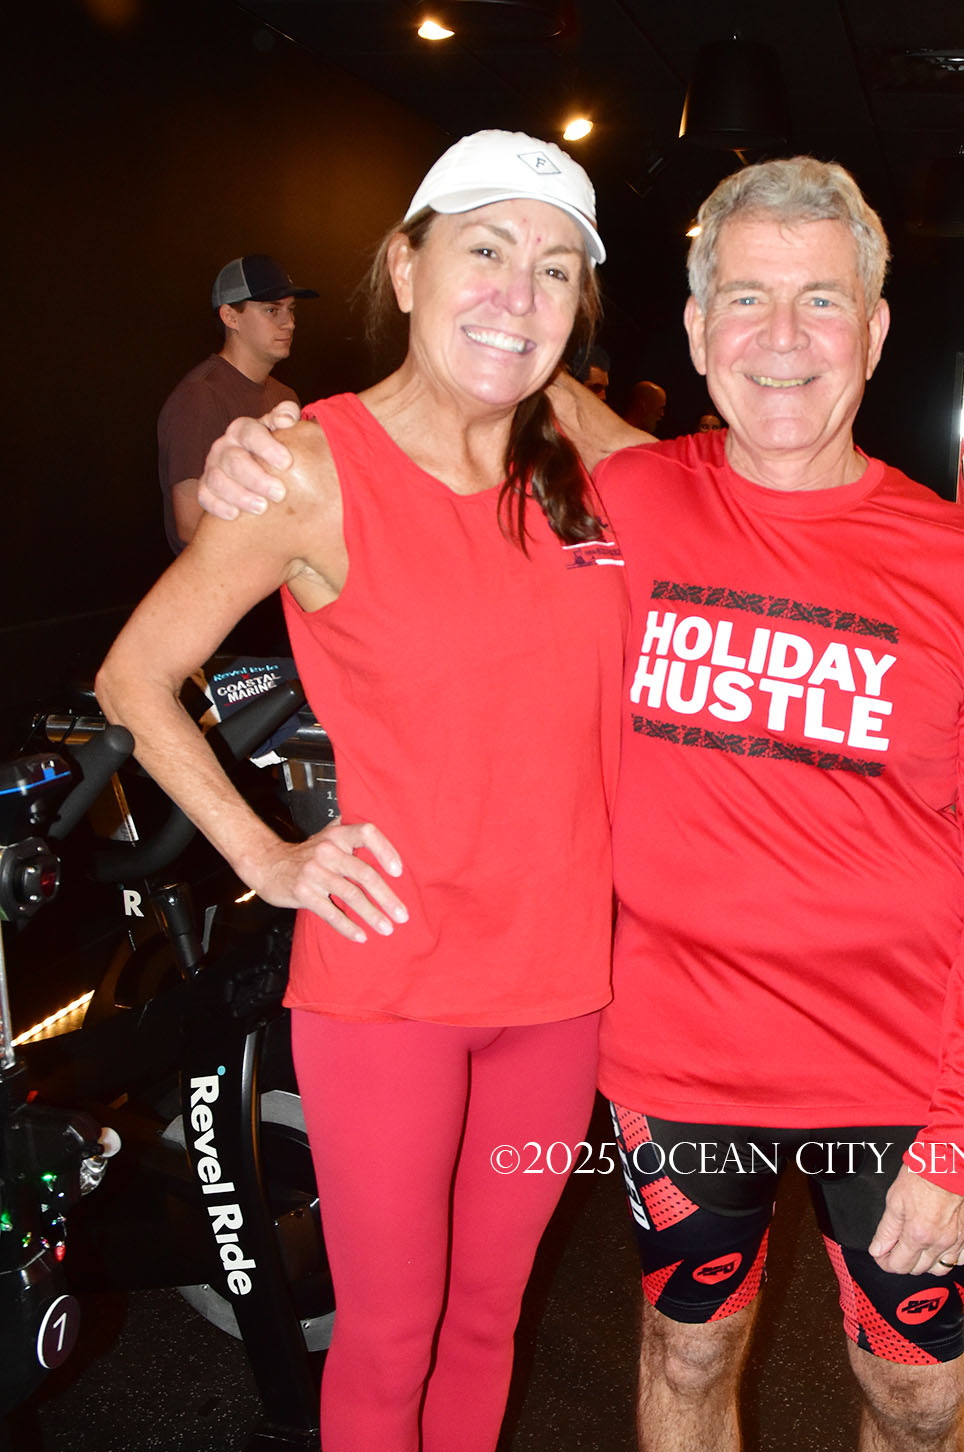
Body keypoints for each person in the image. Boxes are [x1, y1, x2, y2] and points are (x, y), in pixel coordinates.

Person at [198, 155, 964, 1452]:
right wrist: (269, 441)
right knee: (684, 1352)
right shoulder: (611, 505)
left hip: (897, 1064)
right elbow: (470, 391)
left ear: (875, 330)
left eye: (820, 302)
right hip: (675, 1052)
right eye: (746, 300)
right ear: (699, 331)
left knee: (915, 1392)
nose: (782, 338)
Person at [96, 130, 625, 1452]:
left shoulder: (581, 459)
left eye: (554, 270)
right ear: (404, 265)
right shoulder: (307, 468)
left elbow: (746, 495)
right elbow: (134, 678)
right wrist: (266, 856)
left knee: (488, 1320)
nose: (517, 292)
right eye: (484, 250)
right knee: (389, 1333)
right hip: (389, 989)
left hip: (562, 988)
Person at [158, 254, 318, 554]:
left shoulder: (286, 397)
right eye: (272, 310)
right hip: (221, 580)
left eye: (291, 310)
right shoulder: (199, 397)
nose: (289, 323)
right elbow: (190, 527)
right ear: (230, 317)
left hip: (274, 576)